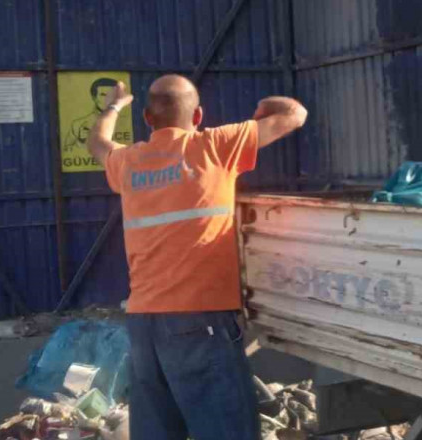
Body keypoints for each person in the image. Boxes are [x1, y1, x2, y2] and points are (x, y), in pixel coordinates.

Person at [87, 74, 308, 440]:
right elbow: (294, 114)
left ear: (146, 118)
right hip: (200, 321)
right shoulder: (217, 146)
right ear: (199, 114)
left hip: (144, 324)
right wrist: (263, 109)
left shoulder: (129, 162)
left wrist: (113, 105)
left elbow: (97, 142)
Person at [64, 77, 119, 153]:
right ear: (94, 97)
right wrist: (81, 141)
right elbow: (67, 151)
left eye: (111, 95)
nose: (107, 99)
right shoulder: (79, 124)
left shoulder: (131, 121)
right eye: (103, 95)